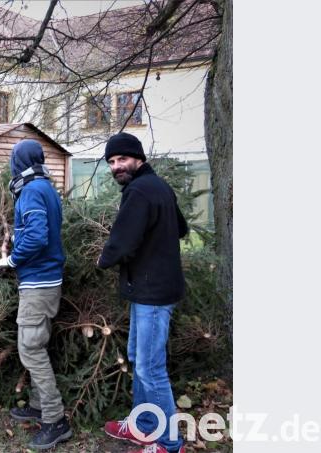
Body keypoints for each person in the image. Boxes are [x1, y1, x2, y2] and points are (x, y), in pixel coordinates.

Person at [96, 132, 188, 453]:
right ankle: (144, 426)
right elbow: (182, 228)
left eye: (122, 159)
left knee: (150, 368)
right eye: (111, 161)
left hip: (153, 293)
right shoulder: (159, 186)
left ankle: (169, 443)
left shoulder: (138, 191)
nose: (116, 166)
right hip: (150, 290)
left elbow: (122, 242)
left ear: (138, 158)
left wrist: (103, 259)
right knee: (139, 359)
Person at [0, 139, 72, 450]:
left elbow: (39, 237)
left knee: (29, 349)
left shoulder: (30, 190)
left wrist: (11, 260)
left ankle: (55, 419)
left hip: (38, 282)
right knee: (36, 344)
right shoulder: (44, 187)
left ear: (19, 162)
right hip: (46, 280)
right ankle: (40, 406)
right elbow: (41, 230)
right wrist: (17, 237)